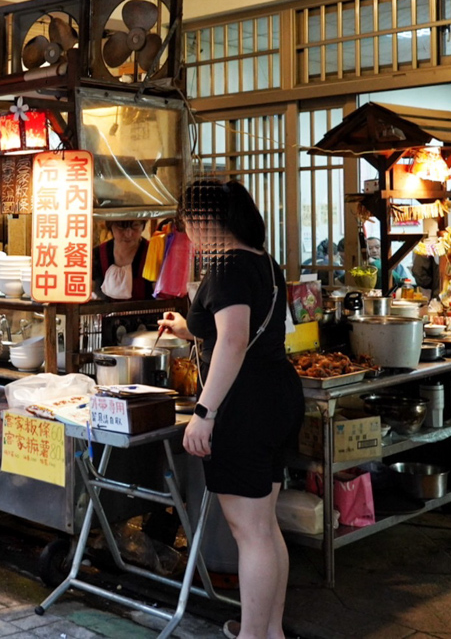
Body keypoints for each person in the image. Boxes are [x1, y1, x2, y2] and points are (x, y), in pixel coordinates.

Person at [159, 180, 303, 639]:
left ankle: (252, 637)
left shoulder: (227, 267)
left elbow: (236, 341)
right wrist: (189, 330)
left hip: (246, 407)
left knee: (250, 531)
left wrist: (204, 413)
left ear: (203, 220)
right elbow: (235, 332)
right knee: (264, 525)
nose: (189, 232)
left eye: (188, 223)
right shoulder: (264, 261)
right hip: (278, 396)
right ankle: (269, 631)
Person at [91, 219, 153, 300]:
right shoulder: (97, 254)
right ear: (110, 226)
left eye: (135, 226)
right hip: (104, 311)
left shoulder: (153, 253)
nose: (128, 234)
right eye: (121, 226)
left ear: (143, 226)